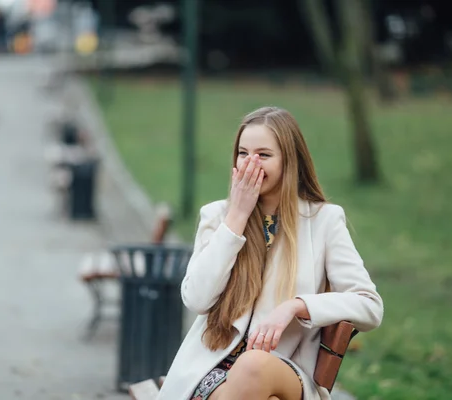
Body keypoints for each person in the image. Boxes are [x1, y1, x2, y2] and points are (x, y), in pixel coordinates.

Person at [157, 107, 383, 400]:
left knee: (253, 365)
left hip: (283, 371)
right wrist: (236, 217)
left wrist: (296, 306)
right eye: (243, 153)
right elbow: (197, 299)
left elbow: (370, 305)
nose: (251, 163)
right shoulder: (218, 216)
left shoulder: (324, 221)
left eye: (263, 155)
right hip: (212, 370)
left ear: (290, 161)